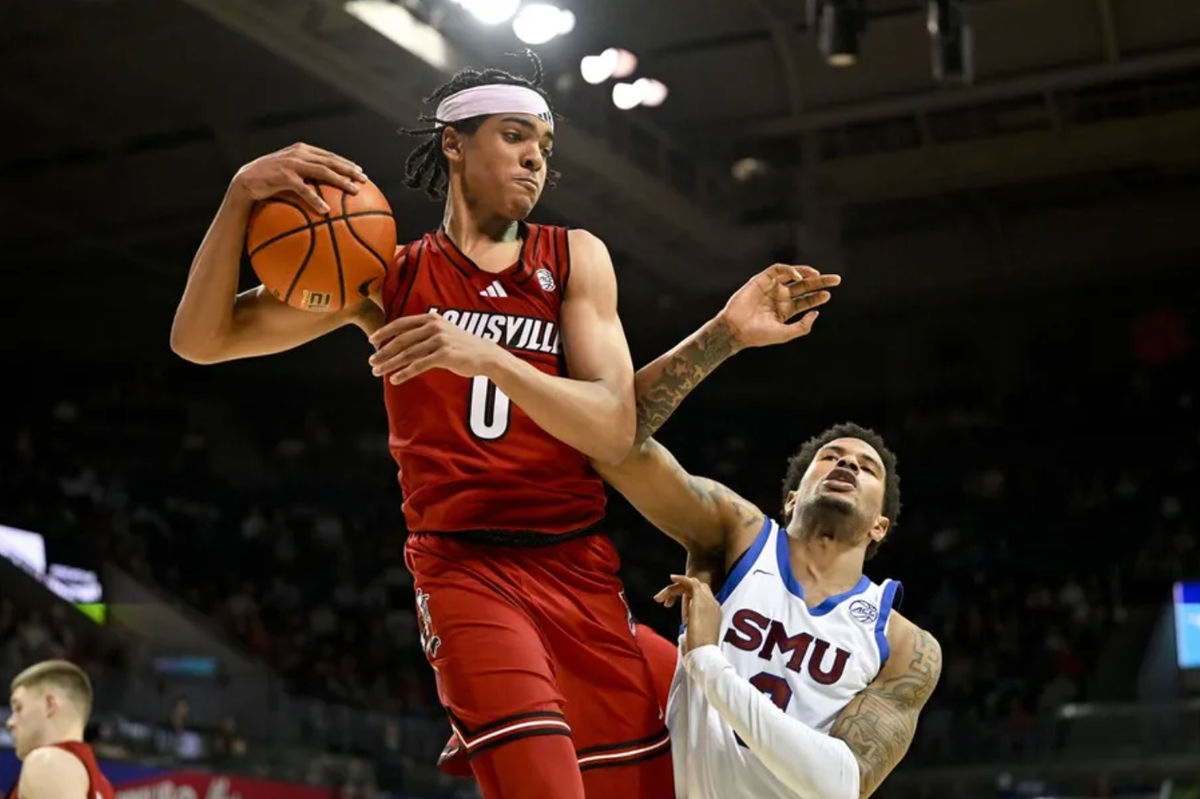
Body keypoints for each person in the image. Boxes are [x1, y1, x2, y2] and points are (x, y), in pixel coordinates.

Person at [169, 51, 840, 798]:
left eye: (544, 147)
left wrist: (489, 356)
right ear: (454, 143)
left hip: (578, 566)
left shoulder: (574, 257)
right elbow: (201, 340)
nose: (534, 159)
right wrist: (238, 198)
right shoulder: (383, 275)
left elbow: (615, 429)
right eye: (515, 135)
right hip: (463, 569)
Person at [595, 415, 943, 797]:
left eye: (867, 467)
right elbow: (620, 451)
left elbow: (840, 787)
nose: (848, 464)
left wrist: (709, 660)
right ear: (792, 500)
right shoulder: (737, 534)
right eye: (831, 456)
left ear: (880, 526)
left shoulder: (905, 644)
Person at [5, 660, 115, 799]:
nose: (10, 722)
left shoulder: (47, 761)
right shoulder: (101, 783)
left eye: (19, 708)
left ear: (49, 705)